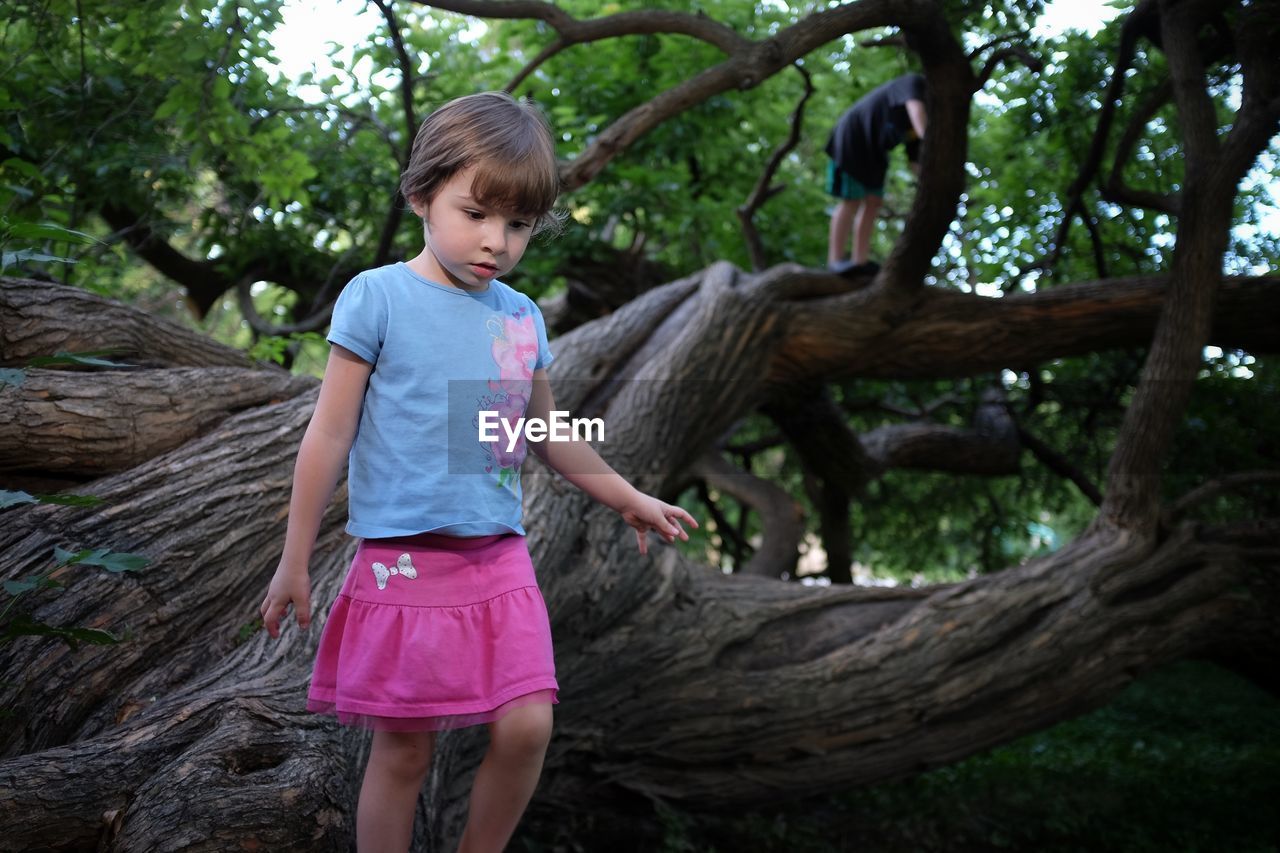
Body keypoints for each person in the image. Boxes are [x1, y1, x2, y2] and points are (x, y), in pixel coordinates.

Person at [259, 91, 697, 853]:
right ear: (422, 194)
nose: (496, 240)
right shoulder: (379, 297)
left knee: (528, 725)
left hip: (497, 559)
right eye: (476, 213)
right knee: (405, 751)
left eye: (519, 224)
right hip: (403, 561)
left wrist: (627, 495)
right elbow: (329, 433)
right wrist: (294, 558)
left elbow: (547, 432)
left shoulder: (520, 317)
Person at [824, 72, 928, 275]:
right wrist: (935, 144)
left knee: (873, 201)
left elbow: (915, 161)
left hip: (875, 151)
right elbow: (917, 113)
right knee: (851, 201)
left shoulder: (924, 119)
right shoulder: (914, 83)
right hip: (853, 137)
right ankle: (834, 261)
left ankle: (859, 261)